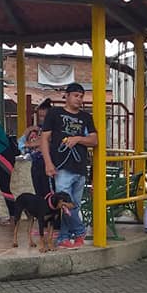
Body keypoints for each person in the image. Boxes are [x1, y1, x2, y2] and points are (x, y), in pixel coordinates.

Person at [41, 83, 98, 249]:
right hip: (61, 166)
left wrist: (78, 139)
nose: (79, 99)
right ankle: (80, 231)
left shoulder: (86, 117)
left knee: (74, 205)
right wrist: (48, 163)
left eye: (81, 96)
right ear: (66, 96)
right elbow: (44, 139)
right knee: (65, 204)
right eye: (76, 96)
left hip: (80, 166)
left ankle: (64, 237)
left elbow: (94, 140)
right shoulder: (55, 113)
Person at [22, 98, 53, 199]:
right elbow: (21, 144)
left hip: (47, 163)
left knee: (48, 193)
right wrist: (29, 130)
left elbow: (42, 142)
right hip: (36, 163)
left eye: (44, 116)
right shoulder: (37, 129)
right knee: (38, 192)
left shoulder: (53, 129)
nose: (42, 119)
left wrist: (30, 144)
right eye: (40, 116)